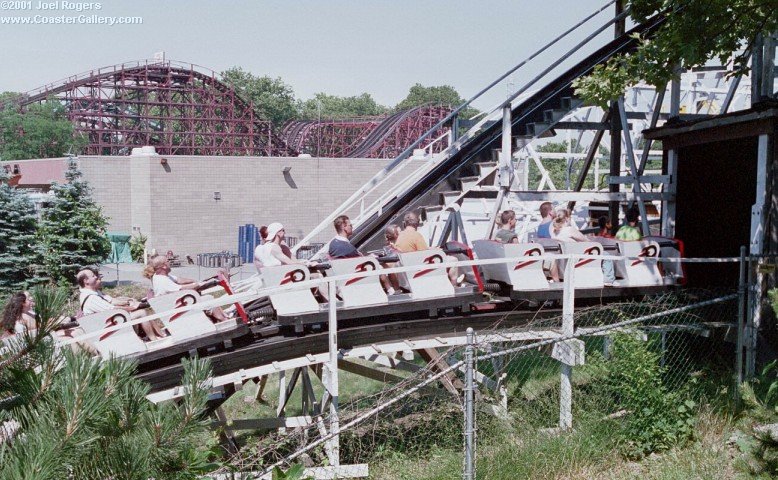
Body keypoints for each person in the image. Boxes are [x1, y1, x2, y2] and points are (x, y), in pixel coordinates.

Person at [77, 268, 166, 341]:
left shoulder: (94, 292)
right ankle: (154, 339)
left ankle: (159, 335)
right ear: (86, 281)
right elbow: (112, 309)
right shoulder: (91, 298)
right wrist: (132, 307)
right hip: (105, 327)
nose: (96, 277)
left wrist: (128, 302)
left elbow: (112, 301)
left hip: (111, 321)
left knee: (139, 312)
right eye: (93, 276)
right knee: (141, 313)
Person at [143, 255, 230, 322]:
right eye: (168, 261)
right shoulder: (162, 281)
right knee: (208, 299)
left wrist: (194, 281)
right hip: (175, 310)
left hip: (176, 306)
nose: (170, 263)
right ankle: (223, 319)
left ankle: (224, 316)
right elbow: (181, 289)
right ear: (164, 266)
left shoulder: (160, 276)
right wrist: (198, 284)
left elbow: (179, 280)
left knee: (207, 298)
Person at [255, 222, 328, 301]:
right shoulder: (275, 248)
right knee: (318, 276)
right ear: (278, 233)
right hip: (282, 282)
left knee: (311, 273)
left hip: (271, 281)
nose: (285, 233)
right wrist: (308, 263)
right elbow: (291, 263)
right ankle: (328, 301)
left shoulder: (261, 248)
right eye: (283, 230)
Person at [395, 212, 463, 287]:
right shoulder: (416, 235)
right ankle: (454, 285)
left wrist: (431, 248)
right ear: (417, 223)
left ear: (405, 223)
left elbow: (415, 249)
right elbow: (425, 254)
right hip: (418, 269)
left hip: (408, 266)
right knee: (453, 260)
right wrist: (437, 251)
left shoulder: (401, 235)